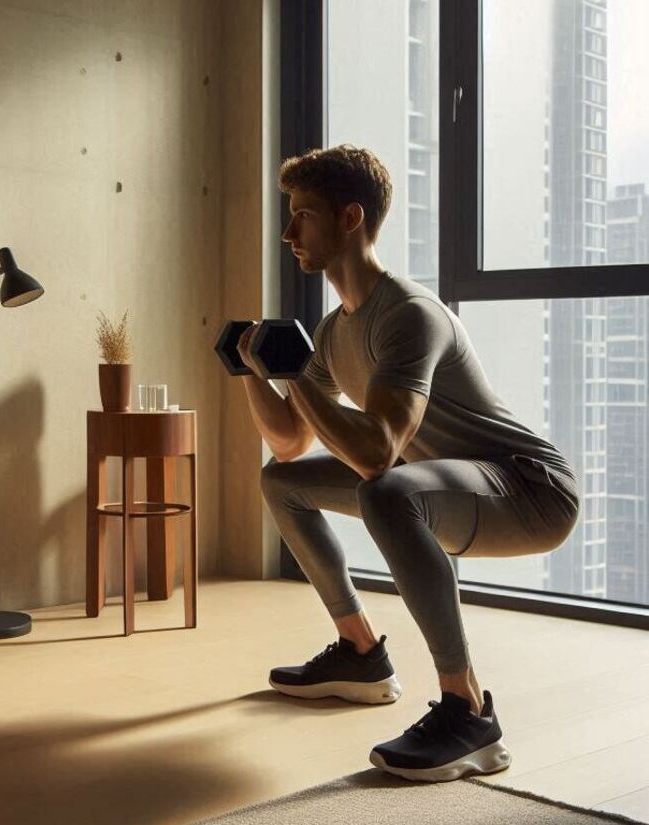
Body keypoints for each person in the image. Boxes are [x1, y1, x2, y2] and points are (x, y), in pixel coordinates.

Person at [246, 145, 580, 782]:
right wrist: (253, 372)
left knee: (386, 492)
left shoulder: (408, 315)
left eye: (303, 216)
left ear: (350, 219)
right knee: (282, 482)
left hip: (528, 488)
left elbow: (375, 452)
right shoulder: (334, 330)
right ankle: (360, 653)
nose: (289, 233)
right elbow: (289, 441)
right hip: (441, 485)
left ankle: (469, 712)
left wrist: (295, 376)